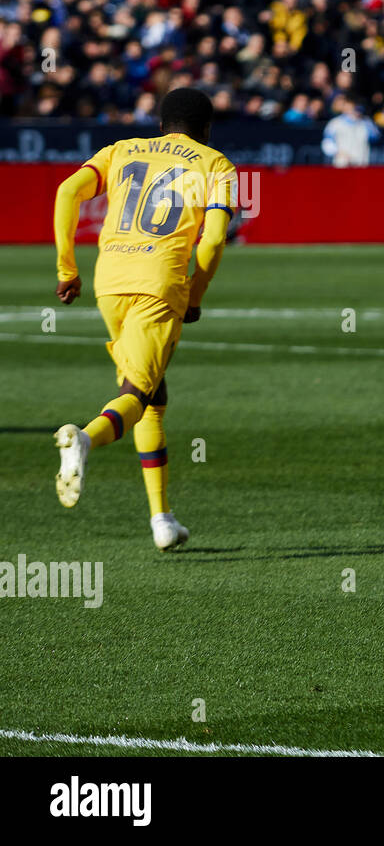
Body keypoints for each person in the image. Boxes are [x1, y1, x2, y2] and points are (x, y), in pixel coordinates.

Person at [51, 87, 236, 551]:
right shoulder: (216, 165)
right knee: (135, 393)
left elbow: (67, 190)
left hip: (109, 280)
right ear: (207, 128)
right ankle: (85, 439)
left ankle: (162, 518)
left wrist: (65, 266)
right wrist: (195, 294)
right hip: (159, 283)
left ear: (160, 124)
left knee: (153, 392)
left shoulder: (121, 150)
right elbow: (212, 242)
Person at [321, 96, 379, 167]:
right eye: (352, 106)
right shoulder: (335, 123)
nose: (354, 110)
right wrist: (339, 152)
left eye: (357, 107)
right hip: (342, 164)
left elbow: (375, 138)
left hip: (361, 162)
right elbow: (327, 143)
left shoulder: (366, 122)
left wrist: (366, 122)